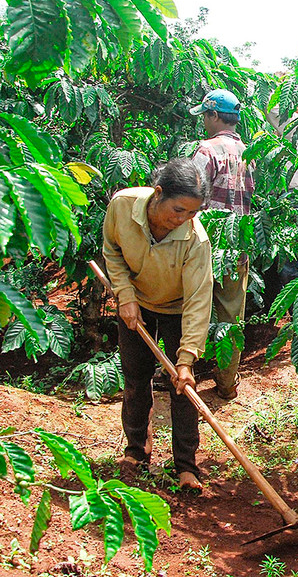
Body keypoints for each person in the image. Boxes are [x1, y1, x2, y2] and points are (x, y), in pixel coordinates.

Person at [103, 158, 213, 490]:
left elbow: (198, 300)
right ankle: (137, 454)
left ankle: (186, 467)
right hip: (136, 302)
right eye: (179, 210)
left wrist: (186, 359)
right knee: (136, 379)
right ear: (158, 193)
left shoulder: (196, 240)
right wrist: (125, 295)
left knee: (183, 388)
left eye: (192, 213)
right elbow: (112, 250)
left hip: (178, 309)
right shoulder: (122, 206)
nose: (183, 219)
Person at [190, 88, 254, 400]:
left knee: (188, 308)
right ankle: (227, 383)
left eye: (205, 115)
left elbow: (190, 196)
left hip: (204, 245)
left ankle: (179, 372)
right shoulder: (249, 151)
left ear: (214, 116)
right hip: (237, 246)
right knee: (231, 316)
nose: (203, 121)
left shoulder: (205, 151)